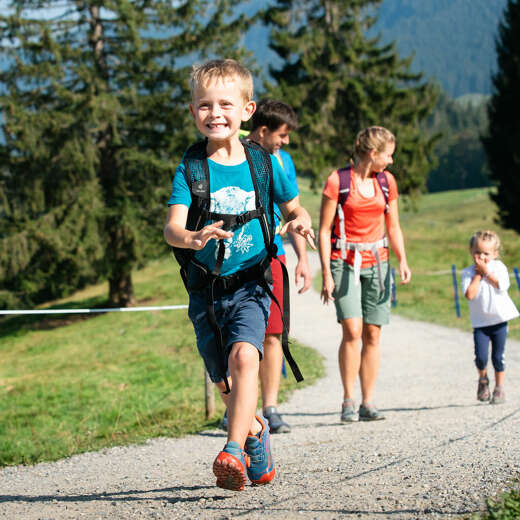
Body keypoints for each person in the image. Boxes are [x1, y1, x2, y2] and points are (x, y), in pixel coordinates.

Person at [164, 59, 315, 491]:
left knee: (247, 357)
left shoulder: (265, 163)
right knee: (226, 381)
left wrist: (301, 222)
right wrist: (191, 238)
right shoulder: (191, 168)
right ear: (194, 111)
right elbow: (171, 227)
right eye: (205, 105)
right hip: (206, 291)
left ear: (247, 111)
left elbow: (294, 207)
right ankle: (255, 432)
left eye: (225, 104)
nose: (215, 113)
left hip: (252, 280)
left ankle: (232, 451)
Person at [221, 99, 312, 434]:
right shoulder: (232, 154)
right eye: (282, 134)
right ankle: (236, 407)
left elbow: (293, 212)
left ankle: (270, 408)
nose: (285, 142)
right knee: (233, 338)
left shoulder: (282, 161)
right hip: (234, 260)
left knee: (274, 335)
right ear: (262, 130)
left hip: (273, 256)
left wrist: (302, 258)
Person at [318, 126, 411, 423]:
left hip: (379, 262)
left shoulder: (387, 182)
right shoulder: (337, 182)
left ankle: (368, 402)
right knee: (353, 331)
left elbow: (393, 225)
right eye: (388, 155)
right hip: (344, 262)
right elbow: (323, 231)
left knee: (373, 332)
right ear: (373, 153)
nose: (391, 161)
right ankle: (348, 398)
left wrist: (402, 259)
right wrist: (327, 275)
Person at [461, 230, 519, 404]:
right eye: (478, 252)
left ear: (494, 254)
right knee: (481, 357)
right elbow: (469, 295)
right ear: (471, 251)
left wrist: (486, 272)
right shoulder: (468, 273)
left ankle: (499, 388)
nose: (481, 257)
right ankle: (483, 380)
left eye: (486, 253)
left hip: (499, 321)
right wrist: (478, 275)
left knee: (497, 357)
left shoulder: (499, 268)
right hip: (480, 323)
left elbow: (501, 286)